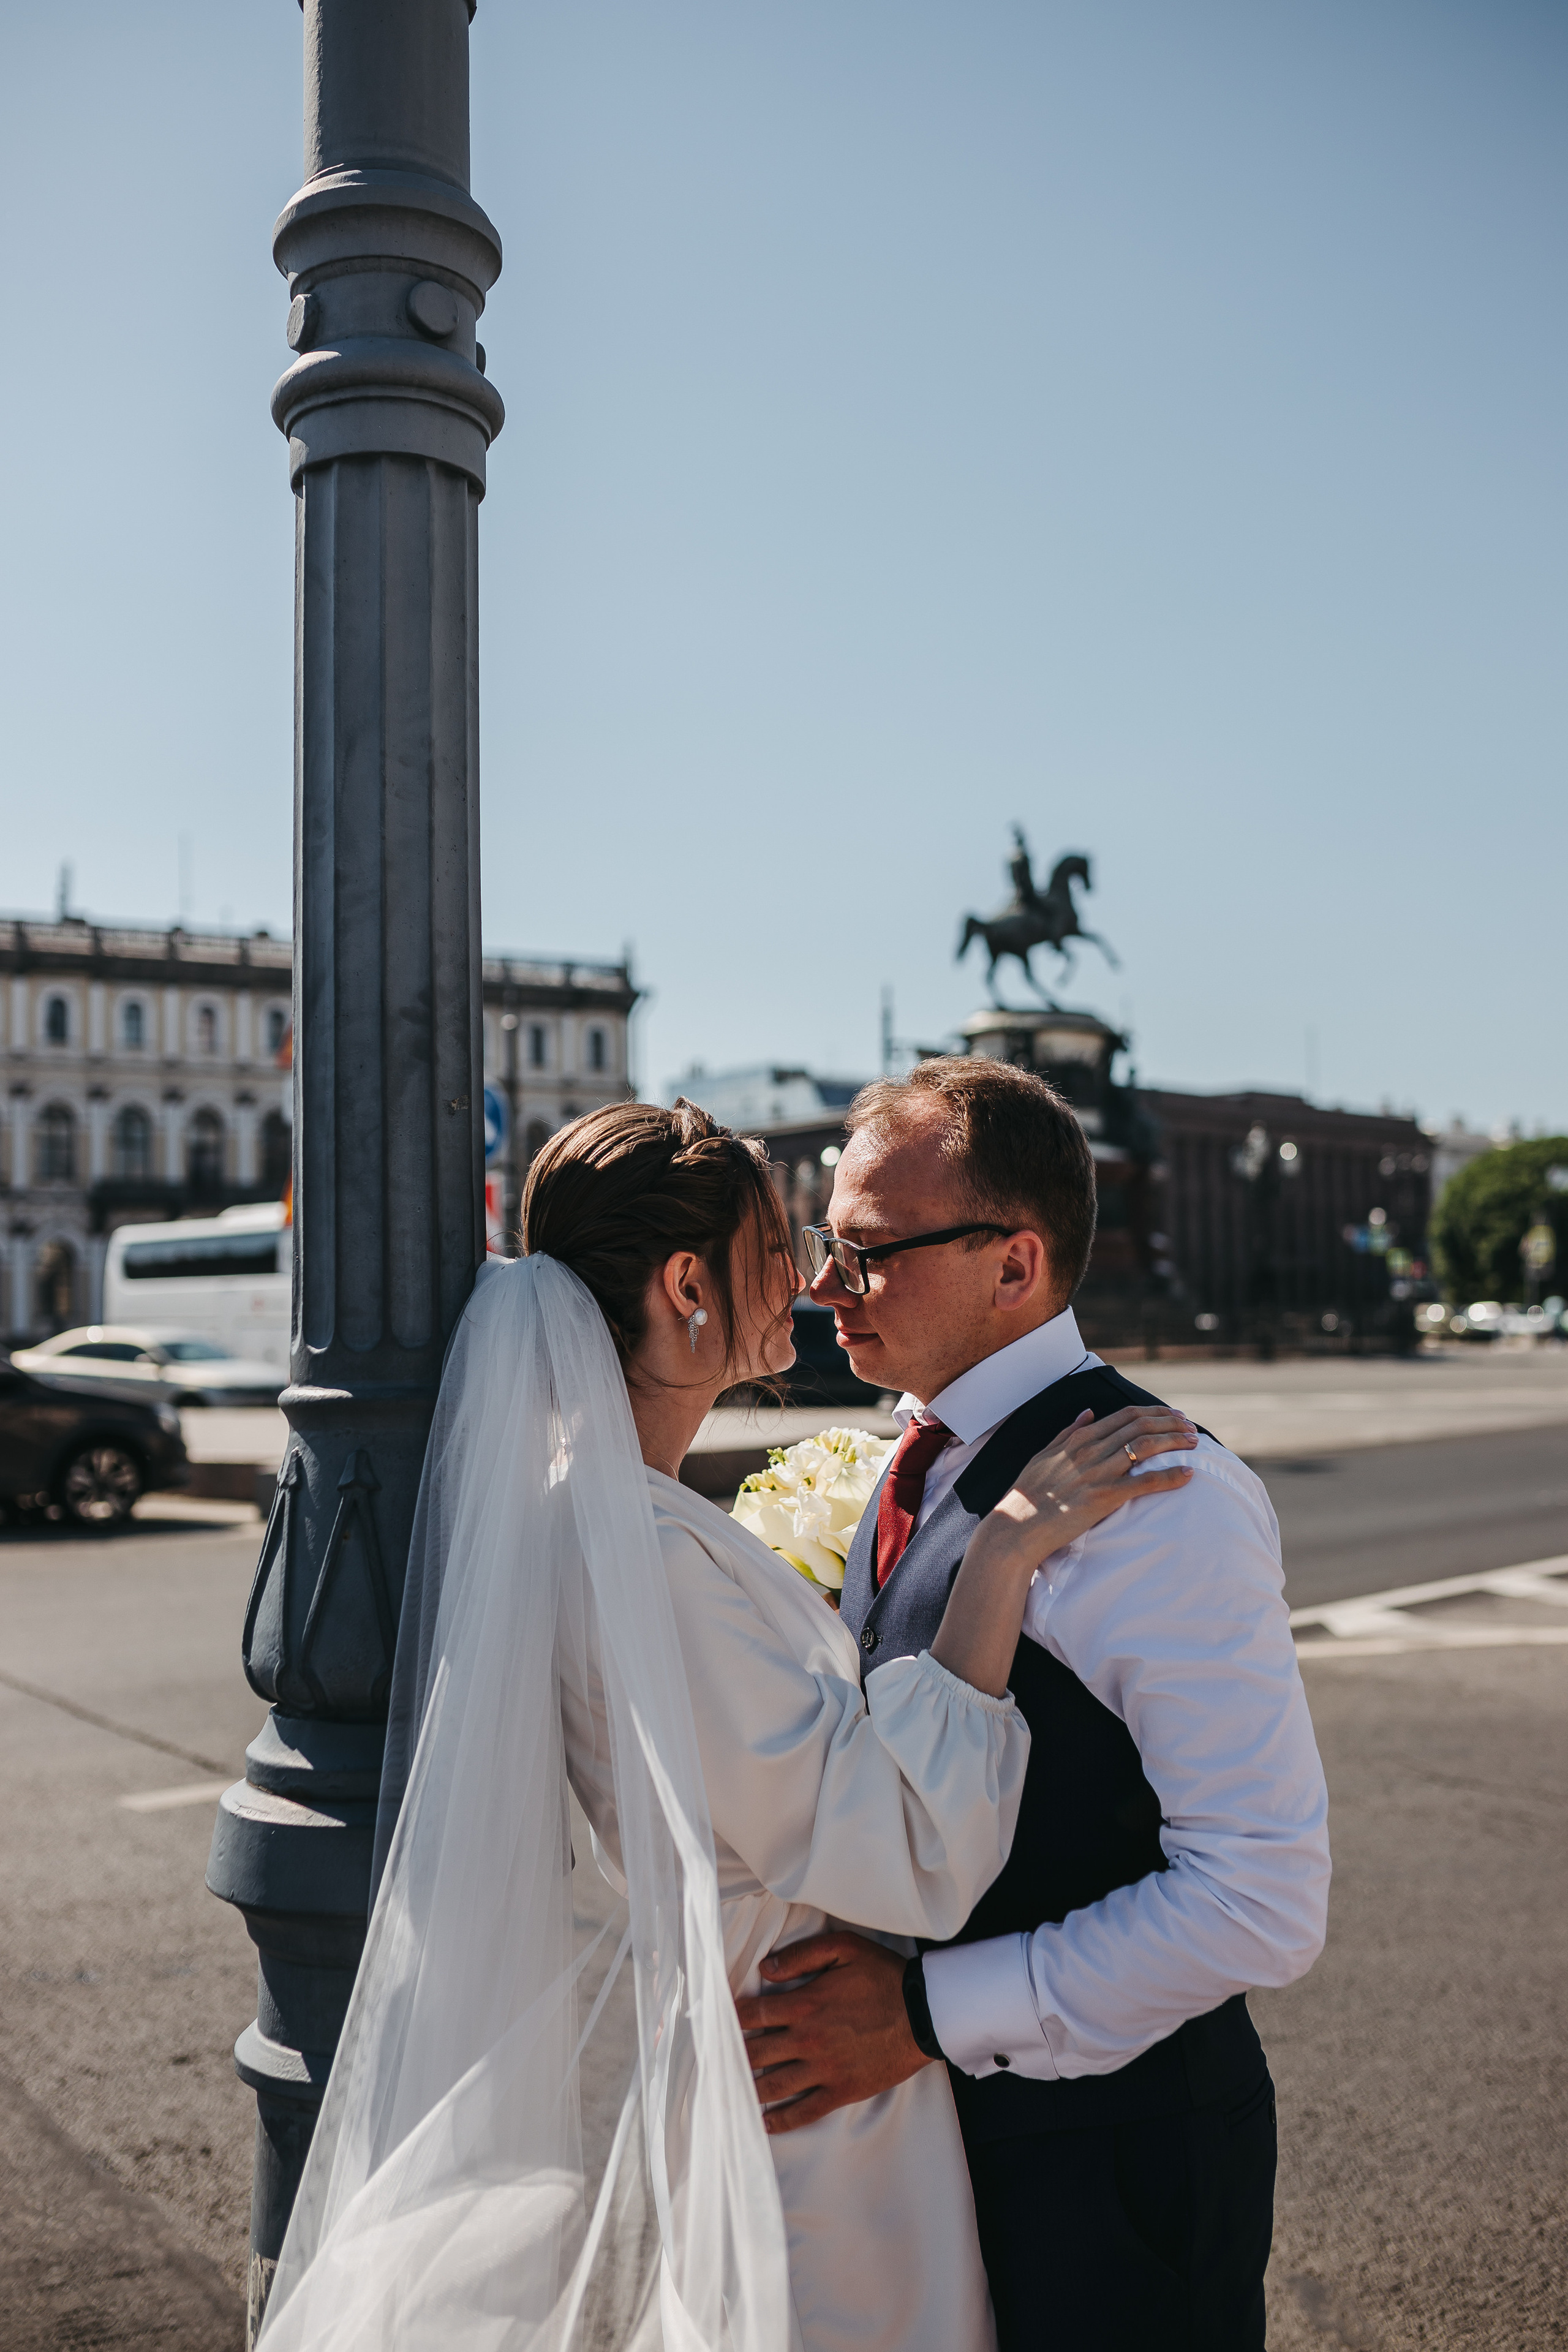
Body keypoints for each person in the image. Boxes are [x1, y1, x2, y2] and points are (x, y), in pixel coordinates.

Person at [254, 1099, 1195, 2352]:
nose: (809, 1280)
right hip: (805, 2083)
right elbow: (909, 1855)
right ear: (687, 1285)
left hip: (743, 2040)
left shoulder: (600, 1524)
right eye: (773, 1248)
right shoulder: (639, 1557)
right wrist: (1000, 1558)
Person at [740, 1058, 1331, 2351]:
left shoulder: (1158, 1496)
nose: (822, 1288)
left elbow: (1259, 1899)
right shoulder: (909, 1447)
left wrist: (920, 2018)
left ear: (1013, 1266)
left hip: (1114, 2172)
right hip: (938, 2161)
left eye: (868, 1253)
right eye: (824, 1246)